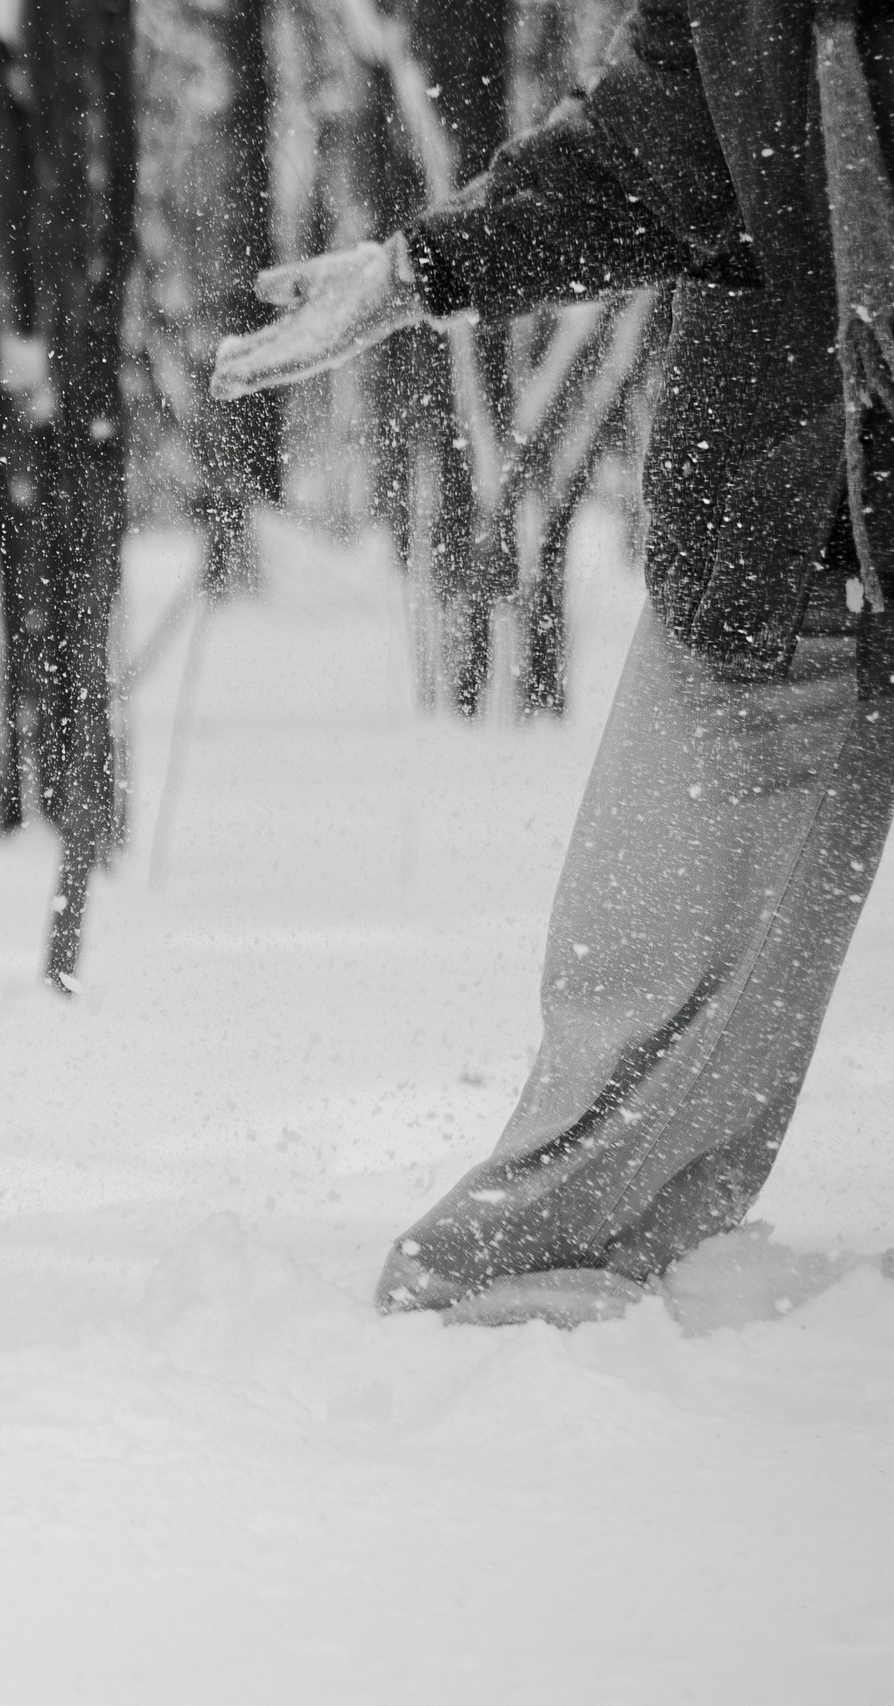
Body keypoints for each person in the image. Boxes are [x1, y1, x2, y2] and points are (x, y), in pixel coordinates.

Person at [211, 0, 894, 1325]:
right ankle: (531, 1321)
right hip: (783, 523)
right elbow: (652, 161)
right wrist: (417, 269)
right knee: (625, 1013)